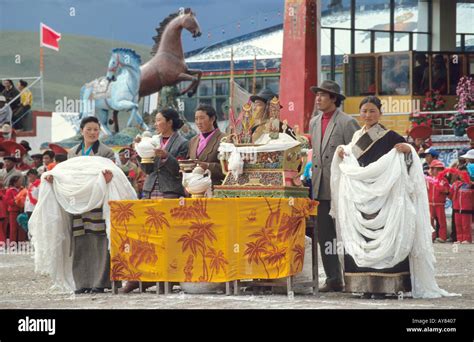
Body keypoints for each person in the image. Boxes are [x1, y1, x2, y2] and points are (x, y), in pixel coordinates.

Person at [45, 116, 115, 294]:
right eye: (89, 129)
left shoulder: (106, 152)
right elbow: (68, 176)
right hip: (77, 203)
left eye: (96, 129)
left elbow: (114, 175)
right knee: (80, 240)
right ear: (82, 130)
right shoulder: (73, 152)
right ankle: (82, 282)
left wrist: (107, 179)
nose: (92, 133)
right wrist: (56, 180)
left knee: (99, 239)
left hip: (97, 202)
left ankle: (99, 282)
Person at [124, 108, 189, 293]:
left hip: (170, 190)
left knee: (168, 236)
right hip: (150, 189)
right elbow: (148, 170)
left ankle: (168, 275)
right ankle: (144, 276)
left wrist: (166, 156)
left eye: (159, 120)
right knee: (147, 236)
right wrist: (140, 152)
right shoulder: (152, 140)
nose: (155, 123)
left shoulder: (182, 143)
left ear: (169, 122)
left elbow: (181, 169)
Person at [309, 80, 360, 292]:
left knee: (346, 234)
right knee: (325, 236)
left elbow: (357, 154)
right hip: (320, 187)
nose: (318, 98)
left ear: (334, 99)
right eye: (317, 94)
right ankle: (333, 278)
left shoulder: (348, 122)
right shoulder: (313, 122)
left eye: (323, 95)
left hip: (342, 187)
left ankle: (352, 277)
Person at [187, 104, 226, 186]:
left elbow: (230, 168)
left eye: (201, 118)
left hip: (214, 188)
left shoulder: (224, 139)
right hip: (193, 188)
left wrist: (208, 166)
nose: (198, 122)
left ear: (212, 119)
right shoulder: (193, 141)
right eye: (196, 119)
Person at [426, 160, 449, 243]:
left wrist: (440, 186)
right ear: (431, 169)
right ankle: (431, 236)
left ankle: (443, 237)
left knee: (441, 221)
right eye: (437, 169)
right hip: (430, 203)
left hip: (440, 204)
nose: (439, 171)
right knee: (429, 221)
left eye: (440, 169)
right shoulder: (428, 180)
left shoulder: (444, 180)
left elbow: (447, 191)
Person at [5, 175, 24, 242]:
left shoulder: (22, 189)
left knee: (21, 228)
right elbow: (8, 201)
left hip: (21, 211)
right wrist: (16, 202)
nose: (21, 182)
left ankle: (21, 242)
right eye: (19, 181)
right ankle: (13, 243)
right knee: (13, 228)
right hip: (13, 212)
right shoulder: (10, 191)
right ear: (15, 182)